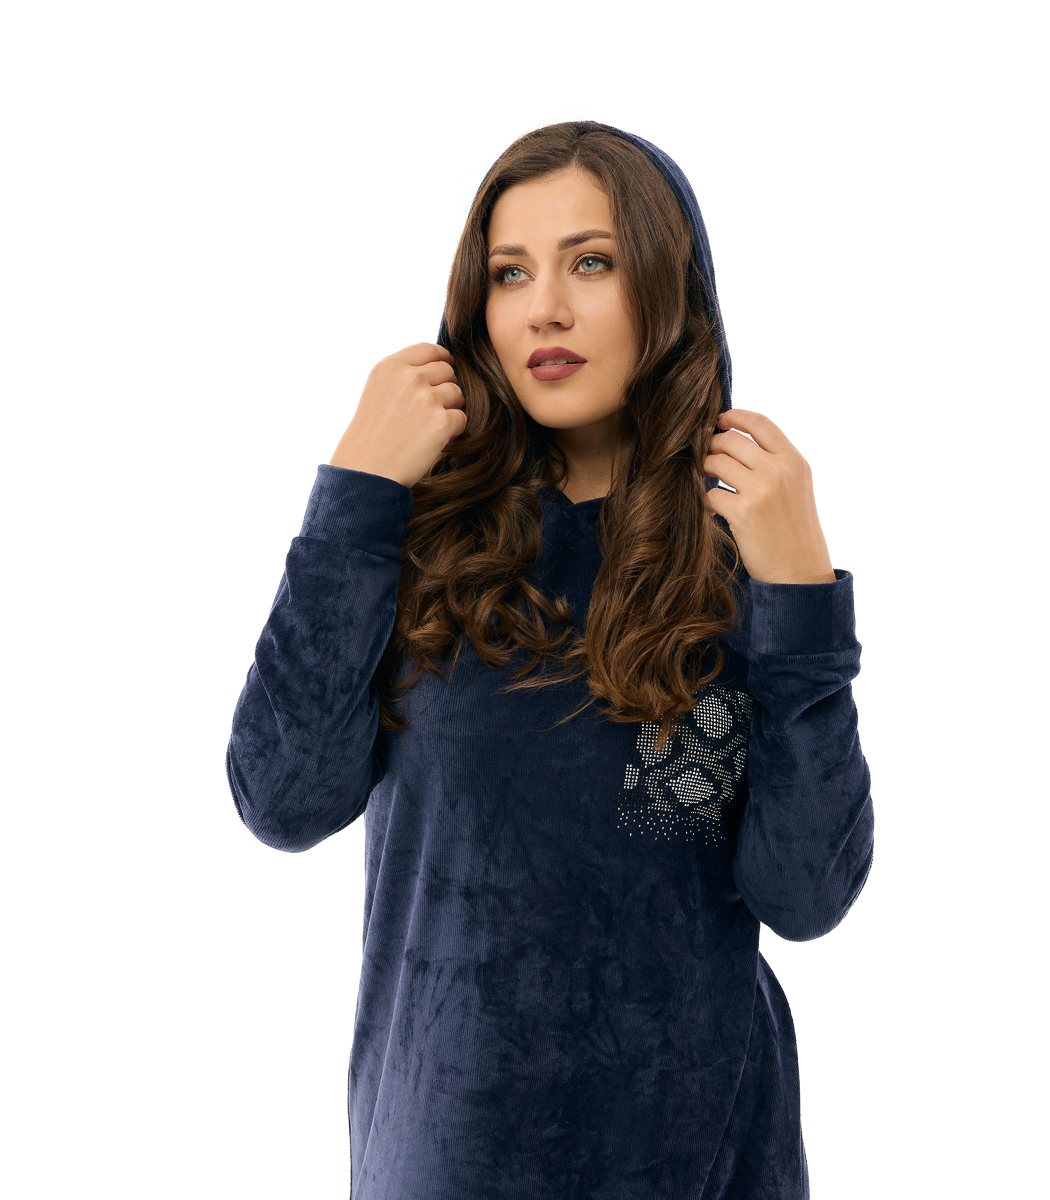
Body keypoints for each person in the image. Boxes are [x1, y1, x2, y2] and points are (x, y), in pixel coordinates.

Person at [226, 120, 874, 1200]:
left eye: (593, 262)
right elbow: (283, 800)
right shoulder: (423, 535)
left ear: (666, 288)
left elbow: (804, 893)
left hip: (699, 1161)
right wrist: (353, 501)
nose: (546, 309)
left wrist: (802, 600)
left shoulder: (737, 559)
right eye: (511, 273)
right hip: (442, 1156)